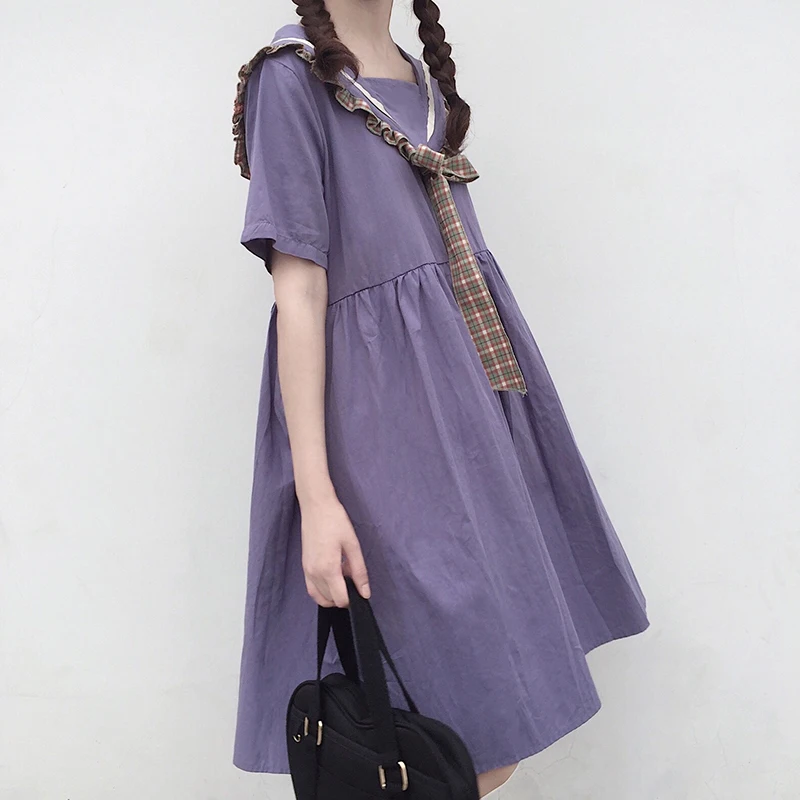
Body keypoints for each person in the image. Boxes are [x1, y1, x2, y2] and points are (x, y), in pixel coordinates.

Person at [230, 1, 650, 796]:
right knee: (448, 732)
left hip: (471, 409)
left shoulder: (418, 79)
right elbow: (301, 291)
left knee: (490, 721)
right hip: (382, 430)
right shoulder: (291, 78)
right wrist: (315, 497)